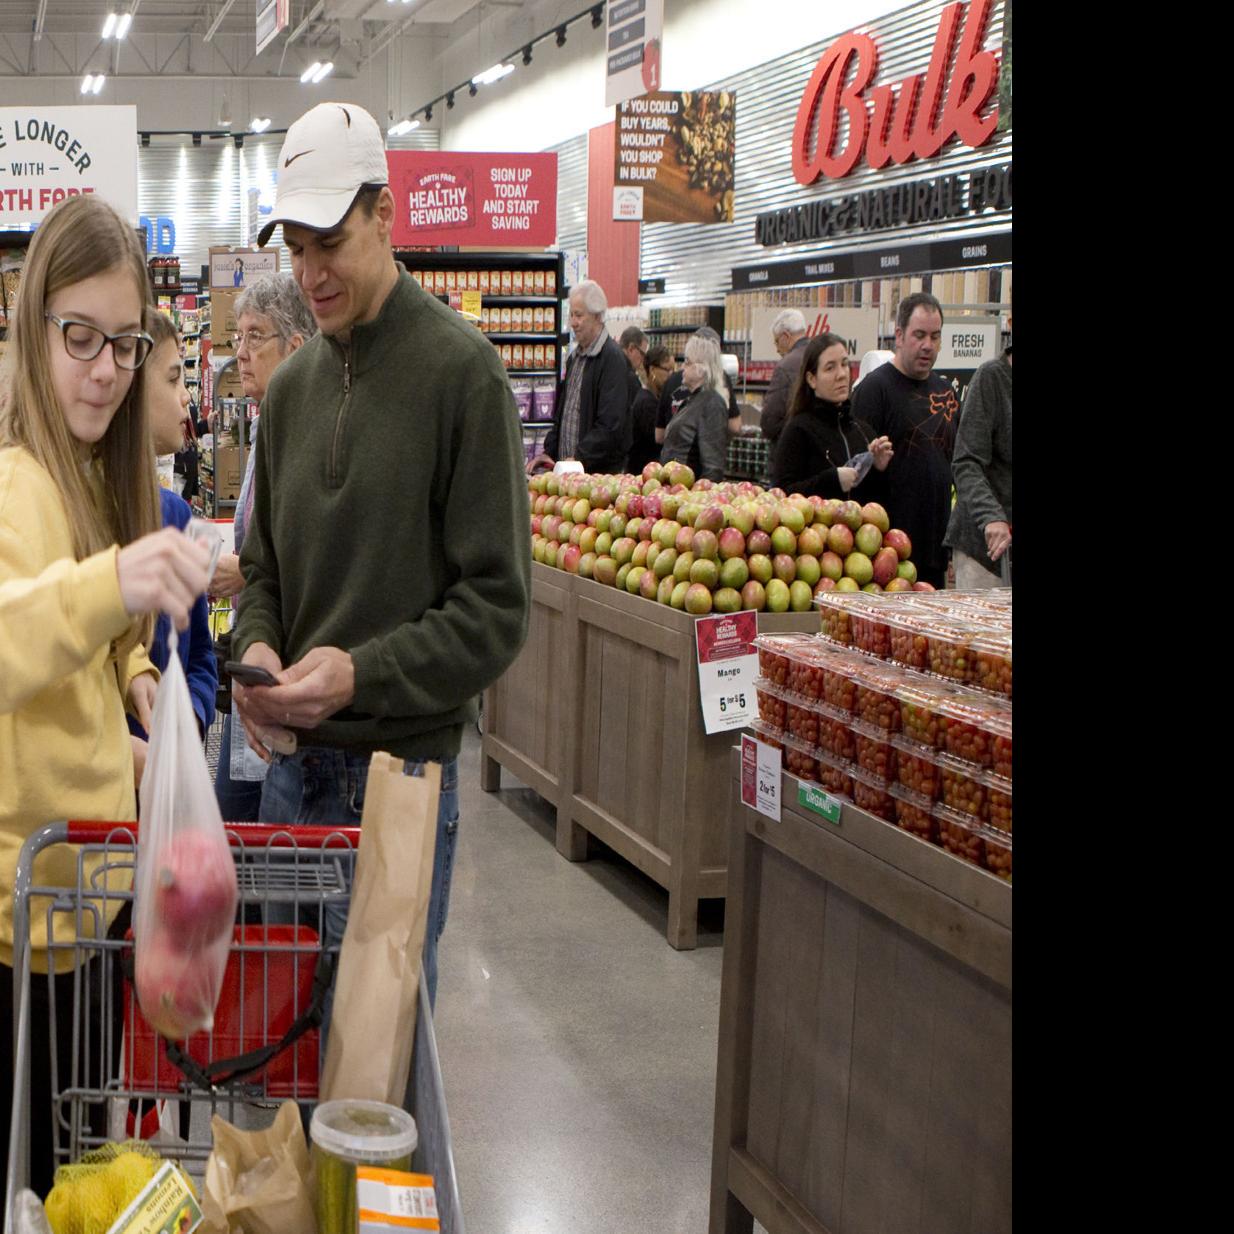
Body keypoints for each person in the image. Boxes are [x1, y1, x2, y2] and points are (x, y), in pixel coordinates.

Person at [232, 101, 531, 1006]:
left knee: (374, 1069)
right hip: (289, 778)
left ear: (385, 216)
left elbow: (495, 609)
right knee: (279, 1063)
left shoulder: (463, 376)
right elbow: (264, 571)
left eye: (331, 240)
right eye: (294, 247)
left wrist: (357, 677)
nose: (311, 272)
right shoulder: (288, 394)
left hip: (398, 783)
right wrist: (255, 651)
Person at [0, 194, 214, 1197]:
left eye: (124, 345)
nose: (103, 368)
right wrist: (114, 583)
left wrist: (129, 679)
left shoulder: (83, 471)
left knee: (78, 1181)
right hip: (26, 932)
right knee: (46, 1184)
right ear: (33, 321)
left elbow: (74, 643)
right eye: (78, 336)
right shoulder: (16, 478)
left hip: (83, 909)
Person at [208, 274, 316, 822]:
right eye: (239, 337)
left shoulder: (308, 444)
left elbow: (301, 565)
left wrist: (242, 574)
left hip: (282, 679)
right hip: (255, 668)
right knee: (237, 823)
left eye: (255, 337)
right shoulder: (267, 428)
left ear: (296, 348)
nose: (240, 354)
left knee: (248, 831)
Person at [133, 309, 218, 740]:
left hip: (170, 785)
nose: (186, 397)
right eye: (172, 380)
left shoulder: (175, 515)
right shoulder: (78, 521)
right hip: (104, 795)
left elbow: (201, 653)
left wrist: (195, 717)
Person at [850, 292, 959, 589]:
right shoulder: (874, 390)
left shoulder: (946, 392)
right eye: (919, 335)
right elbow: (852, 472)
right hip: (887, 554)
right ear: (899, 335)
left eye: (935, 337)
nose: (928, 345)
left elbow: (954, 466)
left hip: (935, 550)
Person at [769, 332, 893, 498]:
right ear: (812, 379)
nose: (841, 374)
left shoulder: (863, 432)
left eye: (844, 364)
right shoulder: (798, 431)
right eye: (830, 367)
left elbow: (877, 500)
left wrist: (878, 469)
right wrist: (832, 481)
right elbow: (781, 494)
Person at [527, 279, 630, 475]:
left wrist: (578, 459)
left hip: (595, 478)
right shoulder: (575, 358)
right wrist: (550, 452)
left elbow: (610, 425)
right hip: (569, 472)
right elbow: (562, 413)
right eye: (571, 315)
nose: (573, 322)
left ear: (598, 316)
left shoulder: (611, 359)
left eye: (579, 315)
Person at [944, 340, 1012, 588]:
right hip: (984, 552)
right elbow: (966, 461)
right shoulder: (991, 378)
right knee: (982, 626)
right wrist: (991, 516)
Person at [660, 333, 730, 482]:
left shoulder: (712, 403)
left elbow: (713, 467)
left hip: (690, 495)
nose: (682, 367)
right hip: (679, 492)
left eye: (687, 361)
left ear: (701, 368)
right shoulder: (693, 399)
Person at [656, 325, 739, 446]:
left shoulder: (673, 381)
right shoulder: (719, 384)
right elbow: (735, 426)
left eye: (687, 361)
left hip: (677, 462)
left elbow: (659, 435)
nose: (682, 367)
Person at [757, 308, 809, 445]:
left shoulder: (785, 366)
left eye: (777, 341)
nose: (777, 348)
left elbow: (770, 421)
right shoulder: (820, 355)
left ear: (786, 337)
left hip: (791, 446)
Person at [626, 337, 664, 474]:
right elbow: (656, 440)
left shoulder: (648, 397)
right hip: (642, 473)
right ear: (653, 370)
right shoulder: (647, 403)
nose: (671, 375)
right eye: (668, 370)